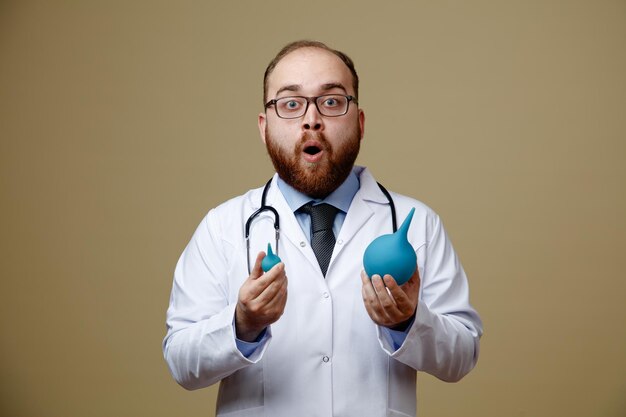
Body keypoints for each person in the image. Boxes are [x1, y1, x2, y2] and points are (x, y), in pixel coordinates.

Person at [163, 40, 483, 417]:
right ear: (264, 128)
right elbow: (181, 363)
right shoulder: (222, 227)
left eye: (331, 102)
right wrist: (242, 325)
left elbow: (462, 356)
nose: (311, 119)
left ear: (360, 123)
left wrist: (408, 321)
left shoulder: (418, 223)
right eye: (291, 103)